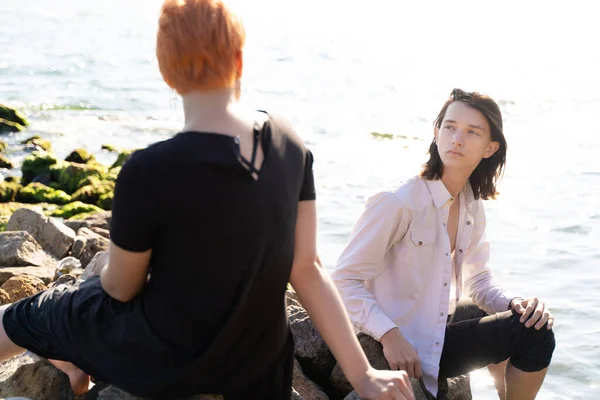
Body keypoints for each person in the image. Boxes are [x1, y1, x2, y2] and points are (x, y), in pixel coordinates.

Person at [0, 1, 414, 399]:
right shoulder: (290, 144)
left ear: (166, 72)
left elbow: (121, 290)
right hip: (258, 367)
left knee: (40, 310)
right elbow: (307, 268)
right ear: (238, 60)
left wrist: (109, 263)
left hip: (167, 363)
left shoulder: (148, 170)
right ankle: (70, 358)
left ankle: (61, 350)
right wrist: (364, 375)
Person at [332, 88, 556, 399]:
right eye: (449, 127)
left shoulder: (470, 203)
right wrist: (389, 334)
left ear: (490, 148)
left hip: (433, 339)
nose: (457, 139)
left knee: (532, 326)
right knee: (521, 330)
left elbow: (478, 281)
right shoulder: (397, 201)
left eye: (471, 132)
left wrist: (516, 303)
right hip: (391, 346)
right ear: (436, 132)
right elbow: (344, 280)